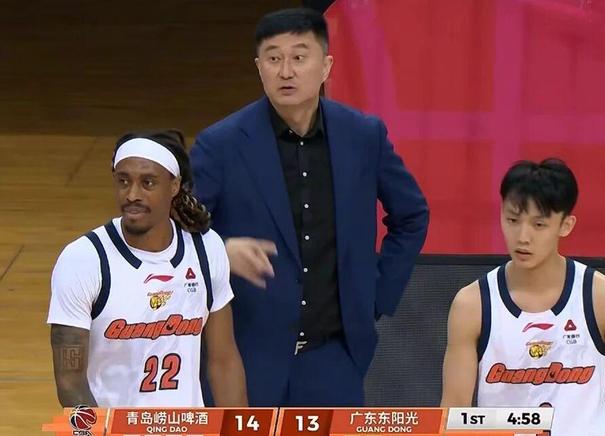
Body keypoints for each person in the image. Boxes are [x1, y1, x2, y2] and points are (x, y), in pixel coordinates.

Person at [190, 8, 429, 406]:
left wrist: (375, 296)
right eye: (273, 58)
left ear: (326, 66)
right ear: (258, 67)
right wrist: (221, 251)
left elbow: (411, 215)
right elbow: (177, 233)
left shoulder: (363, 136)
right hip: (246, 354)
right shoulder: (221, 144)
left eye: (299, 57)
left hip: (334, 356)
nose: (286, 71)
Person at [440, 159, 605, 435]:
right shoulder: (472, 305)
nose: (523, 237)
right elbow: (455, 408)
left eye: (539, 224)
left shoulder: (604, 298)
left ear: (566, 225)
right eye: (512, 220)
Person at [47, 130, 247, 407]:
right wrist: (102, 428)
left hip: (186, 424)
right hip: (113, 425)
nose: (132, 195)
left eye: (147, 183)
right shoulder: (83, 259)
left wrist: (239, 426)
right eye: (123, 181)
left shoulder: (206, 249)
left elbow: (223, 361)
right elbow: (71, 385)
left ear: (174, 186)